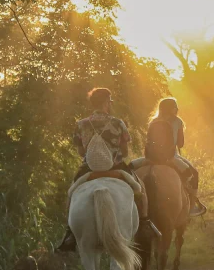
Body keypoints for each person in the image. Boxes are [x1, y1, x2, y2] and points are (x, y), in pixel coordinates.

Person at [57, 87, 161, 252]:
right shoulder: (118, 123)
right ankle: (144, 224)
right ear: (106, 103)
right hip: (116, 167)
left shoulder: (81, 124)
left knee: (71, 193)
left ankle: (69, 232)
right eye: (110, 102)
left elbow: (81, 152)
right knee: (141, 190)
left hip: (88, 169)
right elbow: (124, 152)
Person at [130, 98, 208, 217]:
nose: (177, 109)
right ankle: (192, 206)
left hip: (150, 158)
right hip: (170, 157)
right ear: (171, 109)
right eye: (175, 107)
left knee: (130, 168)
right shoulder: (178, 121)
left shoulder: (153, 121)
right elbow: (180, 144)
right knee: (194, 174)